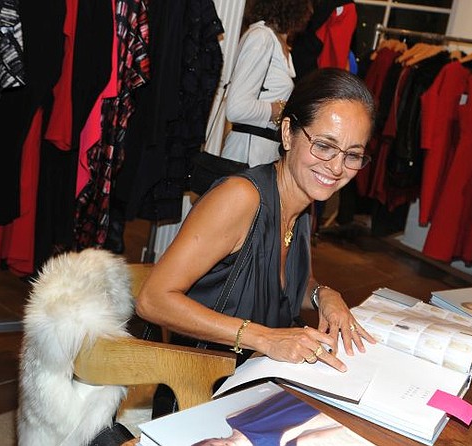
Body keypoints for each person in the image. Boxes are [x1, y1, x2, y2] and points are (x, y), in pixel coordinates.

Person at [136, 68, 377, 374]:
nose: (337, 167)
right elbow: (153, 299)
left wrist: (323, 294)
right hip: (201, 388)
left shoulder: (303, 202)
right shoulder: (240, 198)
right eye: (324, 146)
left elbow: (290, 285)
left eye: (352, 155)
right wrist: (264, 338)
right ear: (288, 132)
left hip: (260, 377)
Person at [220, 0, 312, 167]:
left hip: (261, 153)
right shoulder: (262, 38)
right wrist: (277, 110)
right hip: (247, 156)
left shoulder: (275, 41)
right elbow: (236, 108)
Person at [192, 390, 368, 446]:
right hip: (347, 405)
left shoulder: (233, 418)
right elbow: (319, 432)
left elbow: (277, 397)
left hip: (318, 390)